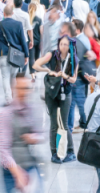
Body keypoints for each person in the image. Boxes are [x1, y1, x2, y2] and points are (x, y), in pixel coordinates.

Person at [33, 35, 78, 163]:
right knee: (54, 124)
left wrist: (65, 76)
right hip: (52, 92)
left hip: (65, 92)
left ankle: (70, 152)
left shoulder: (73, 58)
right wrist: (47, 70)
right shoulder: (52, 55)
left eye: (65, 44)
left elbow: (74, 79)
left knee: (64, 124)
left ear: (69, 46)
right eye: (61, 44)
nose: (62, 47)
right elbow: (36, 65)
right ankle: (54, 153)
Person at [0, 72, 43, 192]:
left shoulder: (32, 109)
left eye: (27, 88)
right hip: (10, 170)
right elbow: (3, 150)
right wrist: (17, 173)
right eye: (20, 88)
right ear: (14, 89)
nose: (24, 92)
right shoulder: (5, 113)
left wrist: (34, 137)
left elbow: (41, 134)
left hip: (29, 163)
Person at [0, 5, 30, 104]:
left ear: (3, 14)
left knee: (5, 76)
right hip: (16, 55)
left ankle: (8, 98)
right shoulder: (18, 24)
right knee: (13, 76)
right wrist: (26, 55)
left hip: (3, 53)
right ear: (12, 13)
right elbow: (23, 40)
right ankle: (13, 96)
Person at [28, 3, 42, 83]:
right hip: (38, 41)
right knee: (36, 57)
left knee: (31, 58)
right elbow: (41, 31)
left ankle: (32, 74)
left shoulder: (28, 18)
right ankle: (35, 72)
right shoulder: (39, 19)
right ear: (36, 9)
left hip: (30, 41)